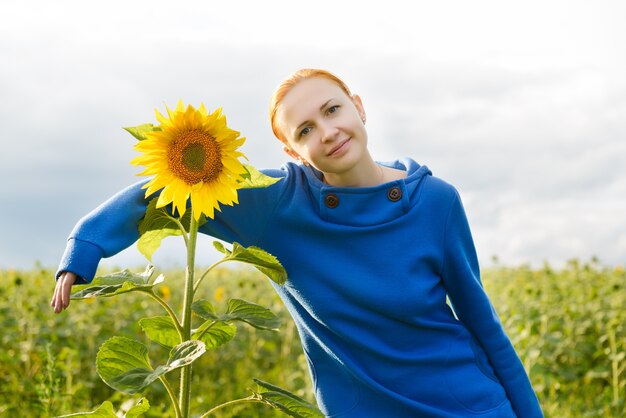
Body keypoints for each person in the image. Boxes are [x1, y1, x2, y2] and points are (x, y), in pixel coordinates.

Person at [51, 69, 543, 417]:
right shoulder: (277, 205)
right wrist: (86, 245)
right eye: (306, 129)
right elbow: (165, 185)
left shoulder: (435, 202)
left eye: (333, 110)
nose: (327, 132)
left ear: (359, 107)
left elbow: (483, 325)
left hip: (469, 405)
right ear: (292, 150)